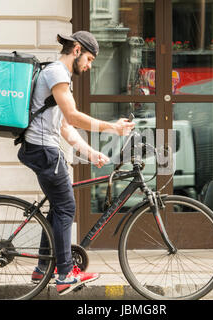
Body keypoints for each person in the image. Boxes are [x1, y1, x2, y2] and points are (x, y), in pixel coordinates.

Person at [17, 31, 135, 295]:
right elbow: (73, 115)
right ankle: (65, 274)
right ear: (77, 50)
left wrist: (90, 153)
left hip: (41, 148)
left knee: (57, 208)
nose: (89, 66)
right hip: (44, 150)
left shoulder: (58, 75)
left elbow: (64, 125)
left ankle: (42, 268)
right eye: (90, 59)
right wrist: (111, 128)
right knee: (67, 207)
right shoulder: (57, 73)